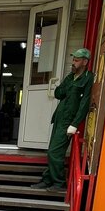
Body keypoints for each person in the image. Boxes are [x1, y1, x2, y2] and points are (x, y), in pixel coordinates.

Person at [32, 47, 94, 191]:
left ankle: (59, 183)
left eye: (77, 60)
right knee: (52, 151)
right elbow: (58, 93)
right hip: (59, 118)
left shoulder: (88, 78)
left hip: (68, 121)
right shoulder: (70, 77)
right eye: (73, 60)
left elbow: (84, 104)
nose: (73, 62)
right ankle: (47, 179)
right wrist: (65, 87)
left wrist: (75, 124)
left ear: (85, 62)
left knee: (55, 152)